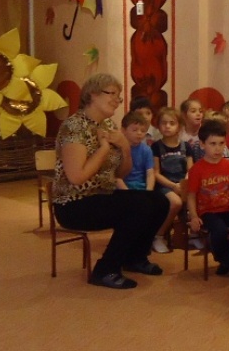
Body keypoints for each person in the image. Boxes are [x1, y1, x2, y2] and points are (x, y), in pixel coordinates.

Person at [51, 73, 169, 289]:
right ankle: (105, 269)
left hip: (103, 196)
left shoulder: (107, 125)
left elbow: (121, 173)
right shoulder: (74, 126)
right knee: (138, 206)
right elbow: (76, 177)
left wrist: (124, 147)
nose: (117, 100)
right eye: (112, 94)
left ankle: (135, 257)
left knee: (159, 201)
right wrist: (105, 148)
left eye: (118, 96)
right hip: (74, 203)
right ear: (92, 95)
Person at [186, 118, 229, 276]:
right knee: (220, 231)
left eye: (221, 143)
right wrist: (194, 216)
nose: (218, 148)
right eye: (213, 144)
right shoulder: (197, 169)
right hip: (207, 212)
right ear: (202, 144)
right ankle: (226, 259)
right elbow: (191, 196)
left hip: (227, 208)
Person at [151, 106, 193, 253]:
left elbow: (190, 170)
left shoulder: (186, 146)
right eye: (164, 123)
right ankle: (158, 236)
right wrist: (173, 186)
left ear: (179, 126)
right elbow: (156, 173)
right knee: (176, 203)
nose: (167, 126)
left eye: (172, 123)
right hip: (164, 185)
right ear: (158, 126)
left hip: (183, 184)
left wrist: (184, 184)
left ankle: (193, 234)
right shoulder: (156, 147)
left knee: (197, 199)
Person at [116, 111, 155, 192]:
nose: (139, 133)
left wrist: (148, 191)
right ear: (123, 130)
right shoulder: (117, 149)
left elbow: (150, 174)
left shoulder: (146, 150)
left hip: (141, 187)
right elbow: (116, 177)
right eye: (135, 130)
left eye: (143, 131)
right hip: (122, 189)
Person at [180, 98, 205, 162]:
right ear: (184, 115)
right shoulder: (178, 134)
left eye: (200, 111)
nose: (198, 114)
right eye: (193, 111)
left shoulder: (207, 132)